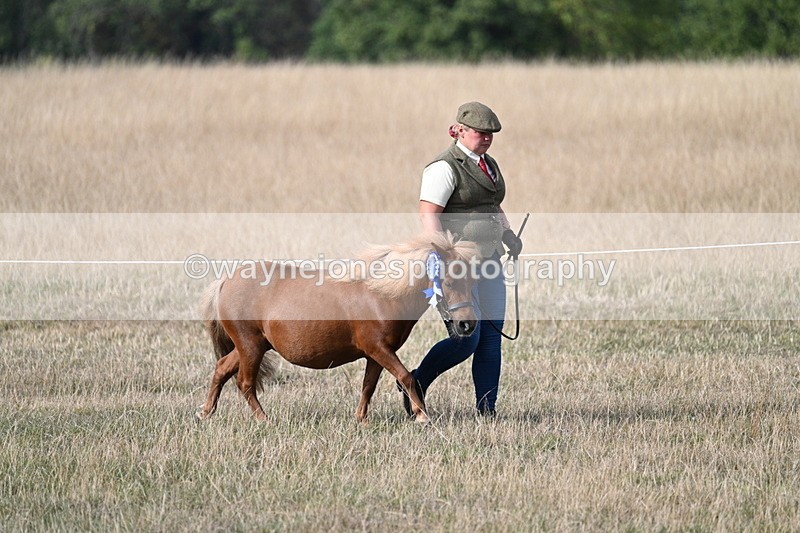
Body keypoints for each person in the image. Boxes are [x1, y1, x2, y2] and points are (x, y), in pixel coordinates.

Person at [402, 101, 522, 417]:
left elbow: (492, 206)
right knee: (466, 341)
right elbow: (428, 215)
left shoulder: (489, 165)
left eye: (490, 134)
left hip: (491, 262)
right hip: (457, 269)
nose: (485, 138)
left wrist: (508, 235)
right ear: (459, 131)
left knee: (491, 338)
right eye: (480, 133)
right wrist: (444, 257)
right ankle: (414, 382)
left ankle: (487, 410)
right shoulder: (443, 167)